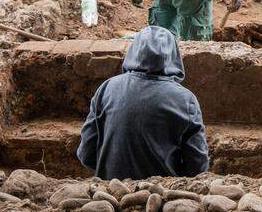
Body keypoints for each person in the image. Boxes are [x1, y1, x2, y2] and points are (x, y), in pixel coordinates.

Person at [76, 26, 210, 179]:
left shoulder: (106, 88)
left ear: (134, 52)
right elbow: (198, 169)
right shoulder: (186, 100)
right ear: (173, 57)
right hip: (162, 193)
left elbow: (86, 155)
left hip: (110, 191)